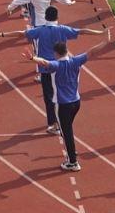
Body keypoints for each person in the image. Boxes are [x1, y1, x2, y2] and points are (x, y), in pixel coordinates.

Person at [31, 36, 99, 171]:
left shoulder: (56, 65)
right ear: (67, 51)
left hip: (62, 105)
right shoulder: (76, 61)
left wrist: (32, 58)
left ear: (55, 53)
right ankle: (72, 153)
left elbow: (44, 62)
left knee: (66, 133)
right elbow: (91, 52)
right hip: (76, 102)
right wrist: (104, 41)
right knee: (67, 129)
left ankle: (73, 162)